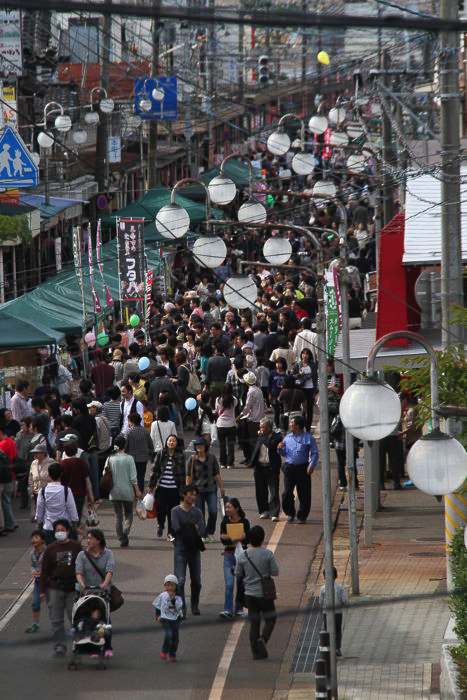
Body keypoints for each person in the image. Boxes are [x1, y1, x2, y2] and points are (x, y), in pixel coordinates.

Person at [235, 525, 279, 660]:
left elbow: (238, 574)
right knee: (270, 619)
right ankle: (263, 639)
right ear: (262, 538)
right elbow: (275, 572)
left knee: (254, 623)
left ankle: (255, 652)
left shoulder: (243, 555)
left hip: (249, 594)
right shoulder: (267, 554)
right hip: (265, 594)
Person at [39, 518, 81, 656]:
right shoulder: (50, 549)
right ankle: (59, 646)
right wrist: (42, 591)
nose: (60, 532)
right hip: (55, 588)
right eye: (57, 530)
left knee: (74, 617)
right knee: (56, 619)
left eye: (62, 530)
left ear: (68, 531)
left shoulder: (76, 547)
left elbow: (82, 566)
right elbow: (44, 571)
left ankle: (78, 643)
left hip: (72, 588)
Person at [75, 528, 115, 658]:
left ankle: (108, 645)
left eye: (91, 538)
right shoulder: (82, 555)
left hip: (102, 593)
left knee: (104, 618)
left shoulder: (108, 553)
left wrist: (104, 584)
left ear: (98, 540)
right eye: (87, 538)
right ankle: (90, 645)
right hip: (86, 593)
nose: (88, 540)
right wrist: (83, 585)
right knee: (87, 619)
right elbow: (79, 573)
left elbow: (109, 571)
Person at [171, 485, 206, 616]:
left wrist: (189, 528)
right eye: (190, 494)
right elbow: (176, 529)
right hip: (180, 549)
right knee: (180, 581)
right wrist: (193, 527)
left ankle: (194, 604)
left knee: (196, 580)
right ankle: (182, 608)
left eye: (195, 494)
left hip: (194, 550)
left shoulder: (198, 512)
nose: (193, 497)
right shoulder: (175, 511)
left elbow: (202, 530)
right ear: (183, 495)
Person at [278, 415, 319, 524]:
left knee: (304, 493)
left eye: (293, 423)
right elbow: (284, 453)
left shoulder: (308, 438)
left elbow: (314, 453)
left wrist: (312, 465)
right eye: (291, 423)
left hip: (303, 468)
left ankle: (302, 516)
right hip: (289, 467)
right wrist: (280, 449)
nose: (290, 425)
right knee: (287, 493)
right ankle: (290, 513)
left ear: (299, 426)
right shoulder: (287, 437)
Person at [186, 437, 224, 541]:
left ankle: (210, 531)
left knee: (213, 511)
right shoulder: (192, 459)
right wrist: (187, 491)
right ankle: (202, 534)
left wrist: (221, 487)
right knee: (200, 514)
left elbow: (216, 474)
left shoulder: (211, 458)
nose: (199, 447)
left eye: (201, 445)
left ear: (205, 446)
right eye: (197, 445)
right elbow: (189, 476)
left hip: (211, 489)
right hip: (197, 491)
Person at [107, 435, 142, 547]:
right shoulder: (129, 458)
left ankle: (121, 537)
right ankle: (125, 533)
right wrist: (137, 491)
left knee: (118, 516)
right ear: (125, 445)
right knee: (128, 514)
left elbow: (104, 473)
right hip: (127, 491)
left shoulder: (110, 458)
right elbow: (133, 477)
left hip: (114, 491)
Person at [149, 435, 186, 541]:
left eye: (173, 441)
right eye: (170, 441)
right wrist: (151, 485)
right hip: (162, 487)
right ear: (166, 442)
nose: (171, 442)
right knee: (161, 510)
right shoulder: (161, 453)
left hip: (175, 488)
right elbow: (154, 470)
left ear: (176, 443)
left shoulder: (180, 455)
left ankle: (171, 532)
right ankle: (160, 525)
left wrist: (183, 489)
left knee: (172, 511)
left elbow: (183, 473)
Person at [219, 498, 250, 619]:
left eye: (229, 507)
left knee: (241, 583)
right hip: (228, 555)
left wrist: (232, 537)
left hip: (241, 557)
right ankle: (227, 609)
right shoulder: (225, 522)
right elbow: (222, 539)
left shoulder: (245, 522)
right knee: (229, 584)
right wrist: (236, 538)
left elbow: (247, 539)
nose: (227, 510)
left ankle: (239, 608)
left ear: (236, 508)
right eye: (226, 507)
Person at [35, 463, 79, 544]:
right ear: (61, 474)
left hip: (48, 528)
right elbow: (72, 510)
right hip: (64, 528)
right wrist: (74, 524)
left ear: (49, 474)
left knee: (50, 553)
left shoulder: (43, 491)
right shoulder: (66, 490)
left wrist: (39, 524)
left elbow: (39, 510)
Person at [250, 418, 282, 521]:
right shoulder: (260, 436)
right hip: (259, 466)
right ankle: (264, 511)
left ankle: (274, 513)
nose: (260, 429)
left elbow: (270, 445)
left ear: (268, 428)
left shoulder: (277, 437)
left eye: (262, 427)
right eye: (260, 427)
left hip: (271, 467)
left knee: (273, 491)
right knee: (260, 490)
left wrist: (262, 436)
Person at [153, 574, 184, 662]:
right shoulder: (162, 595)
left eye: (172, 585)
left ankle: (172, 654)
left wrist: (173, 599)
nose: (169, 587)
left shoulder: (178, 598)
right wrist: (157, 615)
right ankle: (164, 651)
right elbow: (157, 605)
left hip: (175, 619)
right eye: (167, 585)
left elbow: (179, 608)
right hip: (165, 618)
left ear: (175, 586)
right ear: (165, 586)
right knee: (168, 634)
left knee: (175, 638)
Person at [60, 442, 94, 521]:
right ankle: (75, 530)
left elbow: (59, 480)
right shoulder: (82, 463)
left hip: (65, 494)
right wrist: (91, 496)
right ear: (76, 451)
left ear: (65, 452)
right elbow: (87, 481)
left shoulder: (62, 464)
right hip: (80, 494)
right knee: (77, 517)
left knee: (67, 517)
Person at [238, 372, 265, 465]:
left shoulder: (251, 391)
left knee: (252, 442)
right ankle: (250, 459)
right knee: (253, 441)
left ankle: (252, 461)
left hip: (253, 419)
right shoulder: (258, 390)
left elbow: (247, 408)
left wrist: (239, 416)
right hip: (258, 418)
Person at [320, 566, 348, 657]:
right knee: (337, 630)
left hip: (326, 613)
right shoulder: (340, 587)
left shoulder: (323, 588)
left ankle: (328, 648)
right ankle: (337, 648)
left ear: (324, 577)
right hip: (338, 613)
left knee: (327, 630)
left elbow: (320, 601)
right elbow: (344, 600)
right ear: (336, 576)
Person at [125, 412, 154, 492]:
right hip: (143, 459)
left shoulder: (129, 432)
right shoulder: (145, 431)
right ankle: (140, 493)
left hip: (132, 458)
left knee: (132, 477)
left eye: (129, 421)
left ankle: (133, 492)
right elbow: (151, 445)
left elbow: (126, 447)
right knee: (141, 476)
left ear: (132, 421)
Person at [26, 529, 46, 633]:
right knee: (35, 603)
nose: (33, 540)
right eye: (32, 538)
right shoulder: (32, 553)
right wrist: (33, 571)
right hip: (38, 582)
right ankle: (35, 624)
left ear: (42, 540)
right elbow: (33, 566)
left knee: (55, 604)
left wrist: (43, 572)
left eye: (36, 538)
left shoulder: (48, 552)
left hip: (49, 582)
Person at [215, 384, 238, 470]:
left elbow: (217, 411)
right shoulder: (234, 400)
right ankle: (230, 463)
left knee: (222, 445)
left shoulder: (218, 399)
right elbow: (235, 407)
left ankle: (222, 463)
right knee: (231, 445)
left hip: (220, 424)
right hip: (231, 424)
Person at [293, 347, 317, 430]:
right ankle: (301, 426)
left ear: (309, 355)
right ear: (301, 355)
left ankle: (308, 428)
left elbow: (315, 377)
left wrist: (315, 391)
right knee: (303, 409)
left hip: (310, 389)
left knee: (310, 409)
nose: (305, 355)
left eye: (307, 354)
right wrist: (300, 375)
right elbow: (293, 376)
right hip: (301, 389)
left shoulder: (313, 365)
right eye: (303, 353)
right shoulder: (298, 365)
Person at [0, 424, 18, 532]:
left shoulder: (2, 445)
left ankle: (9, 524)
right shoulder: (11, 442)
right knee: (7, 500)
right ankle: (12, 522)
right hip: (11, 474)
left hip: (3, 477)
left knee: (5, 502)